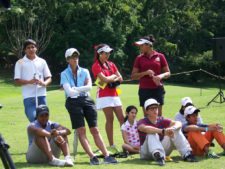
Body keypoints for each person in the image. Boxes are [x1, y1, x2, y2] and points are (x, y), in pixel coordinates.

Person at [60, 48, 117, 165]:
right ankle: (92, 157)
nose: (75, 59)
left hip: (87, 100)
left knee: (94, 129)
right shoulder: (64, 74)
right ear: (68, 59)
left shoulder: (85, 71)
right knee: (81, 130)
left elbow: (90, 87)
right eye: (72, 57)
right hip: (72, 102)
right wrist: (80, 88)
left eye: (76, 56)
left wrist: (75, 88)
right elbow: (69, 93)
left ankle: (106, 155)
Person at [137, 98, 196, 166]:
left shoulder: (161, 119)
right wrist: (162, 131)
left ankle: (187, 154)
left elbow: (178, 123)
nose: (154, 110)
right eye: (151, 108)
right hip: (146, 153)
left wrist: (172, 129)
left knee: (175, 130)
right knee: (151, 133)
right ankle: (158, 155)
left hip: (162, 151)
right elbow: (145, 128)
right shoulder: (142, 121)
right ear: (146, 111)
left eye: (156, 108)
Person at [92, 44, 124, 150]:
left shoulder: (111, 64)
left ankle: (127, 143)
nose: (107, 55)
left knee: (122, 119)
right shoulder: (95, 65)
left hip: (114, 94)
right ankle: (112, 145)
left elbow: (121, 78)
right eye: (105, 53)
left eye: (109, 53)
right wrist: (114, 77)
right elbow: (104, 80)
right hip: (103, 96)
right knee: (110, 119)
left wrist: (112, 78)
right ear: (99, 53)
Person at [131, 35, 170, 116]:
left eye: (141, 45)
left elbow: (168, 73)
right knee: (147, 117)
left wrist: (160, 76)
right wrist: (145, 73)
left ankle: (159, 129)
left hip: (158, 89)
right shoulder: (139, 58)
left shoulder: (160, 56)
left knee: (158, 116)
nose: (140, 47)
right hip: (144, 90)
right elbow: (133, 76)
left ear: (148, 45)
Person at [14, 39, 52, 122]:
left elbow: (49, 77)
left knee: (44, 120)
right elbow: (17, 81)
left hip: (41, 95)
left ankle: (43, 135)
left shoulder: (42, 61)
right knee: (34, 119)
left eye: (33, 47)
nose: (31, 49)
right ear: (24, 50)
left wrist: (44, 83)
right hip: (28, 96)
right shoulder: (20, 62)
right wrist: (29, 82)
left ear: (36, 48)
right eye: (28, 48)